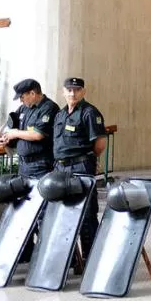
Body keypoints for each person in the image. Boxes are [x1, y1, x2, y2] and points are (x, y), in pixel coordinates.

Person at [53, 77, 107, 258]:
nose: (72, 93)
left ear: (83, 91)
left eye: (76, 90)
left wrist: (91, 160)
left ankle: (91, 257)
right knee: (65, 213)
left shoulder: (89, 112)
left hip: (80, 166)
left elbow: (99, 143)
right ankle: (73, 259)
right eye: (69, 90)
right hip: (61, 169)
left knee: (87, 213)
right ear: (63, 92)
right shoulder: (60, 115)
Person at [0, 79, 58, 177]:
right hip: (23, 165)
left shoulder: (49, 107)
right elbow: (9, 123)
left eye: (22, 97)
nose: (21, 100)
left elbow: (38, 135)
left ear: (32, 93)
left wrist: (15, 133)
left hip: (41, 165)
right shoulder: (24, 108)